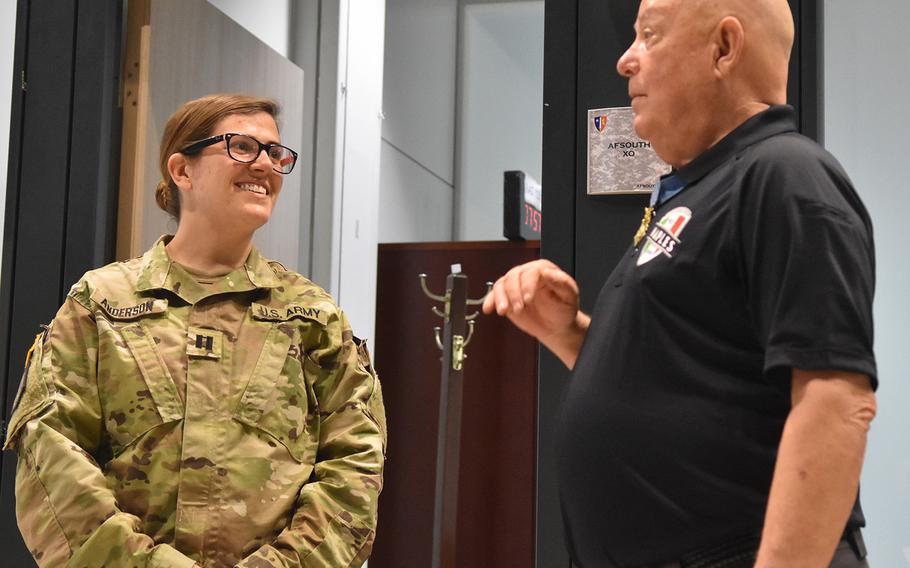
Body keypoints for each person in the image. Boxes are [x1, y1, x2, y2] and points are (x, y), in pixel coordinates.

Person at [483, 1, 877, 566]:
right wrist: (567, 332)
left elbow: (836, 402)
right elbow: (681, 380)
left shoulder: (786, 175)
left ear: (723, 47)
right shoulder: (700, 191)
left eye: (649, 36)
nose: (625, 60)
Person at [3, 94, 387, 567]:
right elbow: (51, 458)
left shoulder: (311, 316)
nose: (265, 165)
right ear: (182, 171)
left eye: (275, 153)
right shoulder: (100, 304)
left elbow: (355, 466)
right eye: (243, 147)